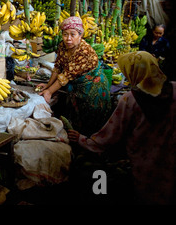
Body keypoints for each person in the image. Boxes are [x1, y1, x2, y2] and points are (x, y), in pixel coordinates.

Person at [68, 51, 176, 205]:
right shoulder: (174, 89)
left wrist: (82, 139)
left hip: (144, 165)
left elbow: (108, 136)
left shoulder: (130, 100)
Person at [37, 16, 111, 136]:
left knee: (92, 122)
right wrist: (47, 86)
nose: (68, 39)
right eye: (65, 34)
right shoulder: (62, 46)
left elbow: (65, 76)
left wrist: (49, 92)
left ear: (80, 35)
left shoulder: (84, 51)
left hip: (92, 87)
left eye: (73, 34)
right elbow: (58, 68)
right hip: (75, 86)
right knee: (76, 120)